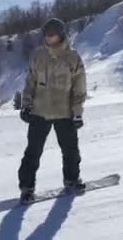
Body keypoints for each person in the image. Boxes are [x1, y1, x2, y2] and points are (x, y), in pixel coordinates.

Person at [18, 18, 87, 203]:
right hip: (40, 112)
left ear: (61, 34)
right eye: (46, 35)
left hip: (65, 113)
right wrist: (26, 105)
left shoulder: (73, 57)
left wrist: (78, 113)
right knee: (33, 151)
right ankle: (27, 188)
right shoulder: (38, 55)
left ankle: (72, 180)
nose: (48, 38)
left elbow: (79, 89)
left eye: (52, 35)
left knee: (71, 150)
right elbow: (30, 82)